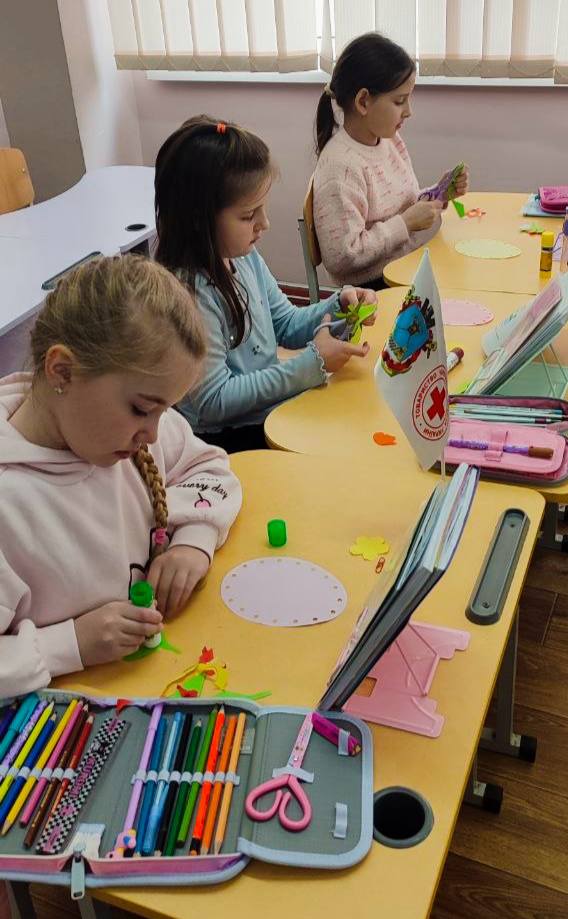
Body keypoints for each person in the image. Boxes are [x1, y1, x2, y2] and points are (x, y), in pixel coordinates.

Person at [0, 254, 242, 697]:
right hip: (64, 724)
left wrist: (194, 541)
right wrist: (68, 645)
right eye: (141, 409)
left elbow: (209, 467)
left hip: (157, 688)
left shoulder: (129, 434)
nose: (153, 433)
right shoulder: (10, 502)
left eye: (164, 411)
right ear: (62, 371)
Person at [154, 115, 377, 453]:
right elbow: (213, 401)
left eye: (262, 209)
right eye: (248, 215)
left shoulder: (242, 256)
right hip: (228, 440)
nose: (265, 223)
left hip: (265, 414)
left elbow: (286, 323)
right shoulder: (190, 294)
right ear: (198, 220)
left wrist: (341, 309)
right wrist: (311, 364)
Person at [313, 32, 469, 289]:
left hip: (402, 269)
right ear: (363, 101)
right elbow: (342, 257)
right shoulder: (341, 168)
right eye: (400, 101)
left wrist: (439, 194)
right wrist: (406, 224)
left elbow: (400, 206)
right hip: (373, 289)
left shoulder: (390, 140)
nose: (409, 111)